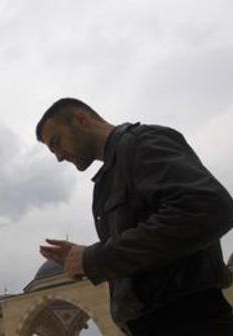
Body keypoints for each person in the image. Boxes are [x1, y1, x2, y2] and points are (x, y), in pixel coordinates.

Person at [36, 98, 233, 335]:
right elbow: (147, 246)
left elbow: (207, 208)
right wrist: (87, 258)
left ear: (81, 120)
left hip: (189, 322)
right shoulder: (108, 178)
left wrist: (96, 257)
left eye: (57, 142)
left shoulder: (143, 143)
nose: (59, 157)